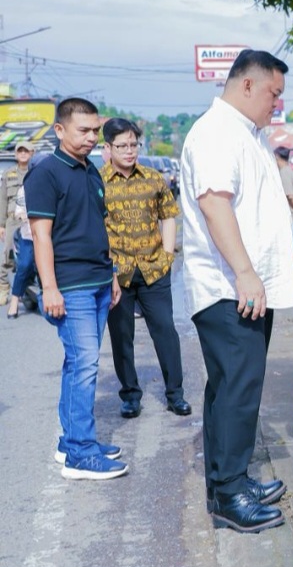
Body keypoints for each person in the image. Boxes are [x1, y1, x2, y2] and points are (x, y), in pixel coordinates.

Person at [180, 49, 293, 533]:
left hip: (244, 286)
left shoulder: (244, 132)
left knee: (230, 387)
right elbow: (215, 205)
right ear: (247, 85)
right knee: (238, 388)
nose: (277, 103)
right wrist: (246, 273)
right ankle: (230, 495)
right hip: (230, 286)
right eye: (274, 93)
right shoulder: (216, 132)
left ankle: (228, 481)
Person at [25, 98, 126, 480]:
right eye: (83, 130)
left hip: (98, 280)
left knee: (77, 363)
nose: (91, 137)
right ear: (60, 129)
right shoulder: (46, 173)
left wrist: (111, 275)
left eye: (95, 130)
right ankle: (81, 454)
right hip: (71, 286)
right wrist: (49, 288)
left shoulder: (90, 170)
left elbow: (97, 227)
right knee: (85, 365)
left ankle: (71, 442)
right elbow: (41, 236)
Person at [100, 118, 190, 419]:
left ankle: (175, 394)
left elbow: (168, 216)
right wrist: (107, 269)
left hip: (154, 270)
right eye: (122, 146)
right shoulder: (97, 183)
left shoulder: (153, 178)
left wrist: (167, 257)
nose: (129, 151)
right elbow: (95, 227)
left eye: (133, 145)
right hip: (117, 274)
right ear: (108, 148)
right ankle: (130, 395)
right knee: (121, 337)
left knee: (165, 331)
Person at [0, 140, 34, 303]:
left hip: (30, 221)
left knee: (29, 257)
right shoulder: (9, 174)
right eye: (20, 151)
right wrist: (1, 225)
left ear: (32, 153)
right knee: (8, 255)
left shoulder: (36, 172)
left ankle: (25, 289)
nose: (23, 154)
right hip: (12, 221)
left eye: (26, 151)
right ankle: (3, 287)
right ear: (15, 154)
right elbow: (2, 200)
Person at [7, 182, 37, 319]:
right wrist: (24, 216)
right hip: (28, 234)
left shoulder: (54, 184)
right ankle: (14, 301)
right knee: (25, 264)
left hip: (50, 235)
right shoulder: (24, 189)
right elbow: (19, 212)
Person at [273, 146, 293, 262]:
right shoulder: (289, 170)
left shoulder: (284, 172)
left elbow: (290, 196)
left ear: (276, 156)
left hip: (292, 218)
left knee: (292, 254)